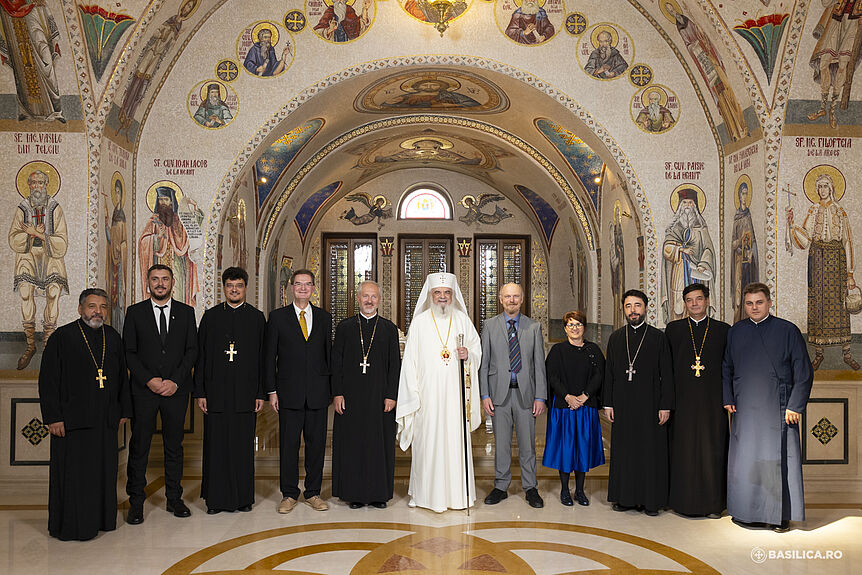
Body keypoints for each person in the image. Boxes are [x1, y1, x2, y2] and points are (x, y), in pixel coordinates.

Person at [38, 289, 131, 540]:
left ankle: (102, 521)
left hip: (105, 421)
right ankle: (71, 526)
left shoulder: (112, 337)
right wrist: (53, 417)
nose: (97, 312)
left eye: (102, 307)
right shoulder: (62, 337)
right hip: (71, 422)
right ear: (80, 309)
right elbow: (48, 380)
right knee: (74, 477)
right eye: (92, 306)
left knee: (103, 473)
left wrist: (123, 409)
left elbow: (123, 377)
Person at [723, 283, 813, 532]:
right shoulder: (735, 332)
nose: (754, 308)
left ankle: (779, 516)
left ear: (769, 303)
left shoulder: (787, 330)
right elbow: (726, 368)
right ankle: (745, 512)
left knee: (776, 461)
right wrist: (727, 397)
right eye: (749, 303)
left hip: (779, 408)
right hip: (744, 409)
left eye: (759, 302)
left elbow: (803, 372)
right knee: (746, 460)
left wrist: (795, 405)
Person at [396, 272, 482, 512]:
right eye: (438, 293)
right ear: (430, 295)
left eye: (447, 293)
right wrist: (413, 395)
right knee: (427, 444)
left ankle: (458, 496)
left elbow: (476, 350)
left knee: (455, 443)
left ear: (453, 296)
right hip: (428, 397)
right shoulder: (421, 322)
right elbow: (410, 362)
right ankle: (423, 494)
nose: (442, 297)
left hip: (455, 396)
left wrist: (469, 355)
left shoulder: (463, 321)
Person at [124, 264, 198, 524]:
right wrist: (149, 380)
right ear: (148, 282)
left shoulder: (187, 313)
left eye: (164, 279)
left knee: (174, 447)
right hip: (144, 392)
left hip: (176, 392)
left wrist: (175, 381)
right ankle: (135, 502)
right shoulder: (134, 313)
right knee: (140, 446)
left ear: (172, 282)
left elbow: (192, 350)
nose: (160, 283)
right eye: (155, 279)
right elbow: (129, 353)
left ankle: (174, 499)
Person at [194, 267, 265, 514]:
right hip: (215, 394)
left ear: (245, 288)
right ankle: (215, 500)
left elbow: (263, 360)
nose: (234, 290)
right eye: (229, 285)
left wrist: (260, 393)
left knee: (242, 446)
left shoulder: (257, 318)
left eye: (238, 285)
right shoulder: (211, 317)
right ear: (223, 288)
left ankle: (243, 498)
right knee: (216, 445)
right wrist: (200, 392)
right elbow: (200, 356)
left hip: (246, 394)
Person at [265, 269, 332, 513]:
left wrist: (332, 391)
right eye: (298, 284)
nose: (303, 288)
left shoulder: (325, 318)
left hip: (317, 393)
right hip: (288, 393)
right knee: (289, 446)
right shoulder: (277, 317)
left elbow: (328, 357)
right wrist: (272, 391)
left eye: (307, 284)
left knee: (316, 446)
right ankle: (289, 494)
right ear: (291, 288)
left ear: (314, 288)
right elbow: (269, 357)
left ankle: (313, 492)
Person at [331, 281, 401, 508]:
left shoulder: (389, 329)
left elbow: (395, 366)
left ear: (379, 300)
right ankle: (354, 494)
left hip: (380, 398)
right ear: (358, 298)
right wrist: (337, 393)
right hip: (350, 397)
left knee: (379, 444)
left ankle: (379, 494)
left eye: (373, 297)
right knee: (353, 443)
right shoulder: (345, 327)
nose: (369, 301)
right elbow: (336, 364)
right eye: (365, 296)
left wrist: (392, 395)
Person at [603, 289, 673, 516]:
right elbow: (609, 374)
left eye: (637, 305)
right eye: (628, 306)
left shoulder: (658, 337)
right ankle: (625, 498)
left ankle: (651, 501)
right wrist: (608, 403)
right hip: (622, 405)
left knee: (649, 452)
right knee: (624, 452)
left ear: (646, 308)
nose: (633, 310)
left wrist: (665, 405)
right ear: (623, 309)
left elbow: (667, 374)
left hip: (651, 404)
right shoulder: (615, 338)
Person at [479, 283, 547, 509]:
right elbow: (484, 362)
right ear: (500, 299)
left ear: (522, 298)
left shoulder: (534, 327)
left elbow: (539, 366)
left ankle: (530, 487)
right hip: (499, 395)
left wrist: (540, 397)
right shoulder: (489, 326)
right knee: (502, 443)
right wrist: (485, 394)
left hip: (526, 396)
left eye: (516, 296)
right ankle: (501, 486)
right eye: (507, 296)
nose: (512, 300)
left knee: (528, 445)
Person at [665, 283, 730, 517]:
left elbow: (729, 368)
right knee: (682, 451)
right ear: (684, 304)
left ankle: (712, 505)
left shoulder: (723, 330)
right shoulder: (673, 330)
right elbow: (666, 369)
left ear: (707, 301)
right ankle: (680, 502)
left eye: (699, 299)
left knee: (712, 452)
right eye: (690, 300)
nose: (694, 304)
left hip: (713, 404)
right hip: (681, 403)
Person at [787, 171, 858, 370]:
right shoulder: (813, 210)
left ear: (832, 188)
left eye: (825, 186)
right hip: (817, 259)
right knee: (818, 302)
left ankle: (847, 352)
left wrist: (850, 273)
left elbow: (848, 241)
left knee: (839, 302)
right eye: (819, 186)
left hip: (837, 260)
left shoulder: (840, 211)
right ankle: (818, 354)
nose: (822, 190)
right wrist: (792, 225)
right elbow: (805, 239)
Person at [542, 310, 605, 507]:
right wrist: (568, 397)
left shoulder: (593, 349)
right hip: (564, 408)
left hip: (585, 408)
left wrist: (584, 396)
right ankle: (564, 490)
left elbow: (599, 375)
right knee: (566, 449)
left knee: (582, 449)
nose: (575, 328)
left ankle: (579, 490)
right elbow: (552, 377)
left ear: (584, 328)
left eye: (578, 324)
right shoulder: (557, 351)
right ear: (565, 328)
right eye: (571, 325)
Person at [9, 168, 69, 369]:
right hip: (27, 255)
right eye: (34, 183)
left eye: (41, 183)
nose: (37, 187)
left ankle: (48, 343)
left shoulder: (54, 208)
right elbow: (13, 238)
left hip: (51, 255)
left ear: (46, 185)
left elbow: (62, 242)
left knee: (53, 292)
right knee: (26, 291)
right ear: (28, 185)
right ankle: (30, 345)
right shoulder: (23, 208)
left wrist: (39, 234)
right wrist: (30, 236)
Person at [0, 1, 65, 122]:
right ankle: (26, 111)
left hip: (34, 16)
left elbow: (43, 5)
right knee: (20, 69)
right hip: (10, 20)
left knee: (47, 64)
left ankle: (56, 111)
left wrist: (54, 39)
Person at [661, 187, 716, 323]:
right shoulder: (674, 229)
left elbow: (708, 249)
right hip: (679, 271)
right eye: (684, 203)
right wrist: (680, 249)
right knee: (678, 303)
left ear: (695, 205)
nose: (687, 206)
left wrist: (703, 264)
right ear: (679, 206)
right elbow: (666, 249)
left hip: (697, 273)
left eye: (690, 203)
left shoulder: (701, 229)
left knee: (697, 301)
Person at [138, 185, 198, 306]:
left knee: (179, 295)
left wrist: (194, 208)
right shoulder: (154, 221)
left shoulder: (179, 221)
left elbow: (190, 239)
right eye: (160, 200)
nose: (163, 203)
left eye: (166, 199)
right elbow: (143, 241)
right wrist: (156, 238)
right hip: (157, 261)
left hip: (178, 267)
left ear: (171, 201)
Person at [808, 1, 862, 128]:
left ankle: (832, 109)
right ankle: (822, 107)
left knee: (843, 65)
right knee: (823, 63)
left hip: (854, 25)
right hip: (836, 21)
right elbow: (825, 3)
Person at [730, 181, 759, 323]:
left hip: (748, 259)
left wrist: (752, 251)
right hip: (738, 260)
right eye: (742, 193)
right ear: (738, 195)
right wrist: (740, 241)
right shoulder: (737, 217)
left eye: (746, 193)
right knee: (739, 290)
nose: (744, 196)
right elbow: (733, 243)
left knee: (749, 286)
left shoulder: (749, 215)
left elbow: (752, 238)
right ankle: (739, 319)